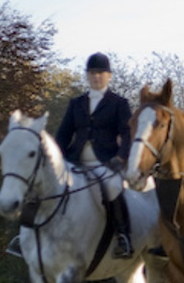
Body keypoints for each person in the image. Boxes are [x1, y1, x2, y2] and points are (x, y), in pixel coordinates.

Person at [54, 52, 135, 258]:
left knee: (113, 186)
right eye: (92, 73)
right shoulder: (76, 103)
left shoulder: (119, 103)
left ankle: (123, 236)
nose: (96, 77)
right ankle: (30, 233)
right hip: (75, 160)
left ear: (109, 75)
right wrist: (54, 158)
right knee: (45, 182)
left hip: (106, 161)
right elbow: (64, 133)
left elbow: (127, 134)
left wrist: (121, 158)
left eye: (100, 73)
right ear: (87, 76)